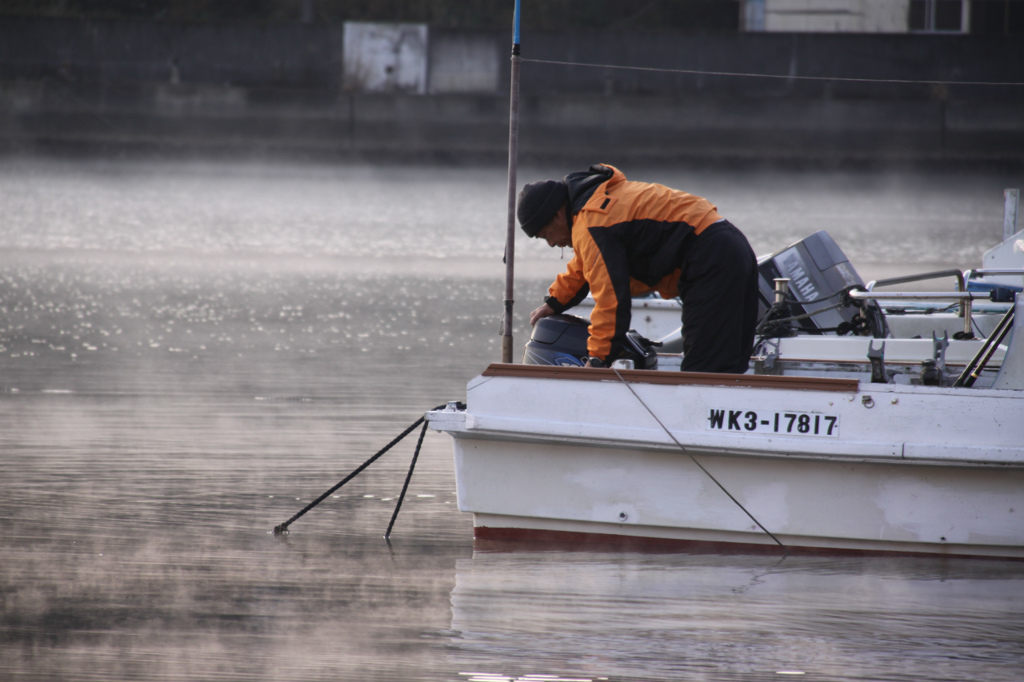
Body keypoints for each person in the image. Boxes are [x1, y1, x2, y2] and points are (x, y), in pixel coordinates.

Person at [518, 163, 758, 374]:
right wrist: (555, 301)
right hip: (729, 244)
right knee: (728, 363)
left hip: (711, 258)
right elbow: (584, 266)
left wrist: (598, 360)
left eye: (543, 235)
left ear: (558, 215)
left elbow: (610, 300)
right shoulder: (595, 206)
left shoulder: (592, 223)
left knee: (706, 369)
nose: (551, 244)